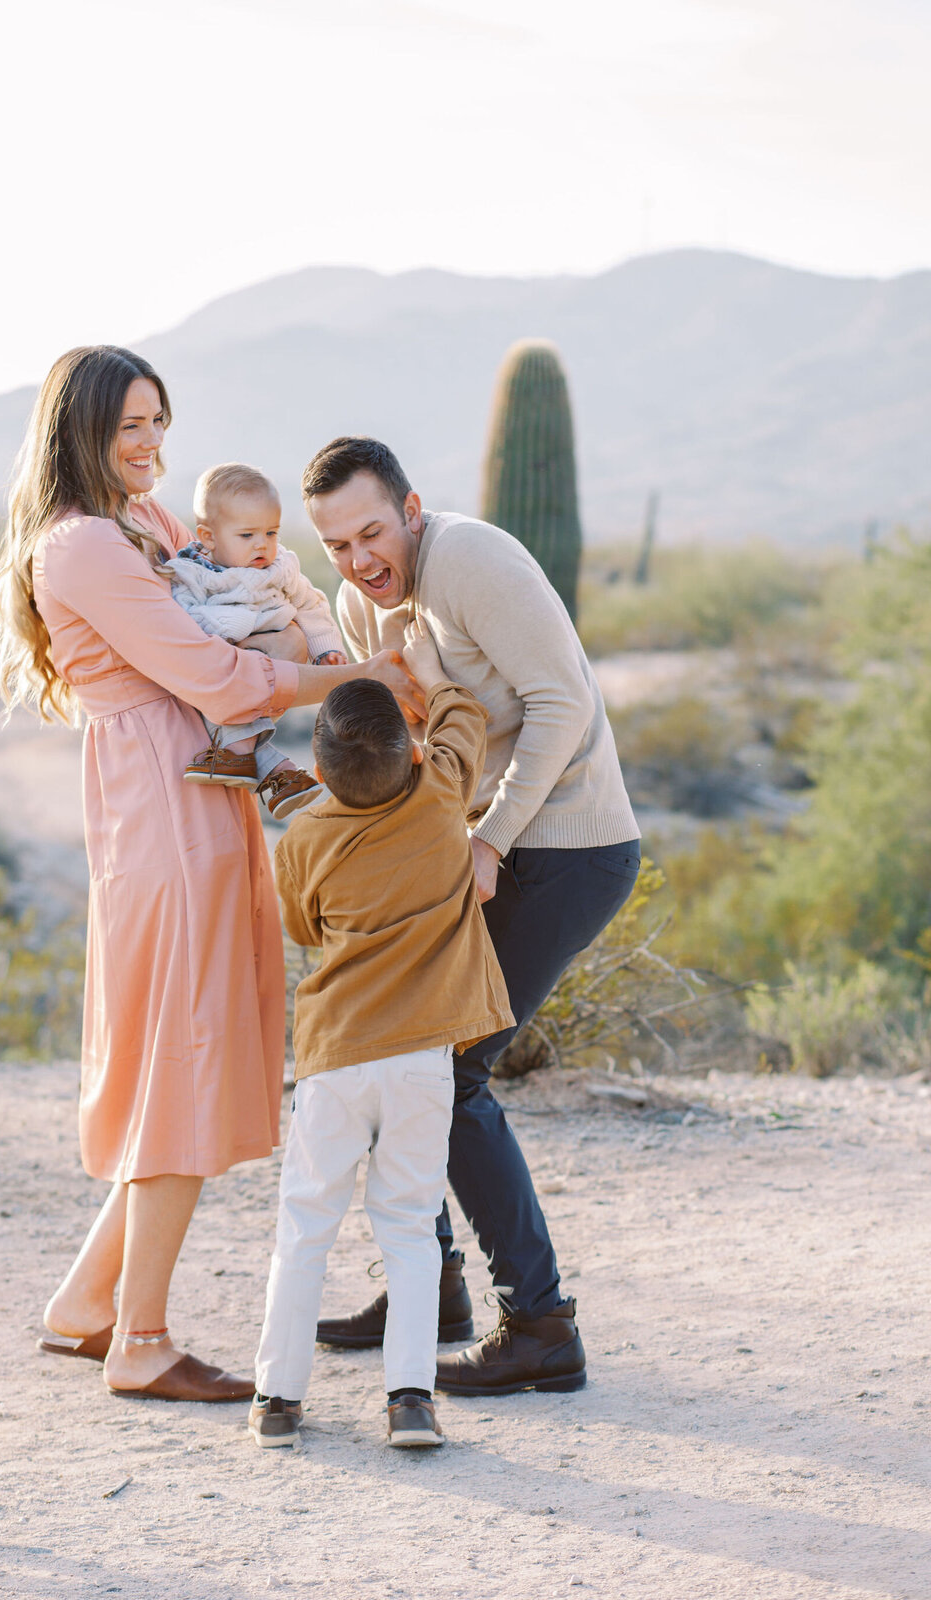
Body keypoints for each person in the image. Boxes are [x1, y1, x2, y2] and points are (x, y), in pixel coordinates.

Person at [0, 347, 423, 1403]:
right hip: (160, 804)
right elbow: (217, 672)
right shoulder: (83, 545)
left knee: (186, 1048)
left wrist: (331, 626)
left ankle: (88, 1306)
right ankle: (140, 1340)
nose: (149, 445)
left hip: (202, 794)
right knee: (177, 1057)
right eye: (129, 425)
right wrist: (355, 674)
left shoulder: (153, 526)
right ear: (79, 431)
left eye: (158, 423)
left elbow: (252, 586)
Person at [302, 435, 640, 1397]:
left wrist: (486, 841)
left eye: (373, 531)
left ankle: (540, 1326)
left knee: (450, 1070)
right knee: (397, 1051)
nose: (361, 558)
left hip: (568, 847)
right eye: (338, 545)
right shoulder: (363, 606)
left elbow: (562, 704)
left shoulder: (471, 558)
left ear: (410, 508)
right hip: (488, 847)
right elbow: (413, 743)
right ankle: (430, 1289)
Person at [250, 618, 512, 1449]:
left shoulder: (304, 839)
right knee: (406, 1227)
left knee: (306, 1227)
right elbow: (467, 720)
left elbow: (303, 927)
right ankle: (409, 1402)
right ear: (410, 753)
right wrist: (427, 675)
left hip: (336, 1060)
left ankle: (277, 1400)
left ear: (322, 771)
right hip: (423, 1063)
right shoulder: (440, 796)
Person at [167, 461, 347, 818]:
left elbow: (310, 604)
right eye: (247, 536)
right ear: (208, 537)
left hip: (273, 658)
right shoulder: (194, 576)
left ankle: (236, 757)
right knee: (216, 683)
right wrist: (227, 624)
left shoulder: (280, 568)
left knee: (230, 691)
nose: (262, 546)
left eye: (272, 533)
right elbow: (183, 617)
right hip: (231, 662)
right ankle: (282, 777)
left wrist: (326, 648)